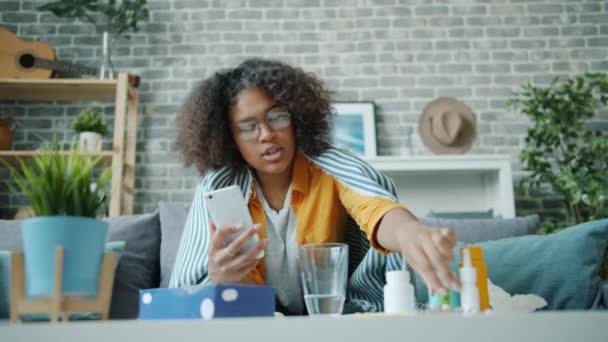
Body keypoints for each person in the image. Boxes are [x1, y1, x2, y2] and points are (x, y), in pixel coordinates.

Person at [169, 58, 459, 315]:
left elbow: (375, 207)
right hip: (261, 321)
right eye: (248, 126)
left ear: (296, 117)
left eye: (277, 117)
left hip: (335, 317)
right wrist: (222, 279)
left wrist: (408, 231)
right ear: (229, 137)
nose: (267, 134)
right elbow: (195, 293)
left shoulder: (331, 169)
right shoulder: (218, 189)